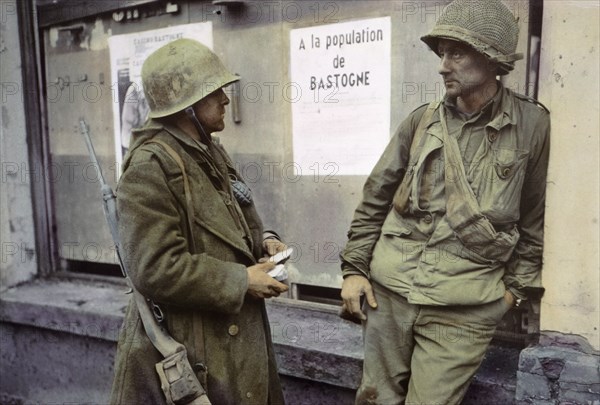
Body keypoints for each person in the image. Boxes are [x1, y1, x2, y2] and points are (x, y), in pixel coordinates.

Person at [340, 0, 550, 404]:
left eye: (456, 53)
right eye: (442, 54)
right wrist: (354, 270)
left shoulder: (532, 126)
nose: (442, 66)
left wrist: (512, 295)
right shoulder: (420, 121)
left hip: (463, 308)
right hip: (390, 295)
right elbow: (374, 200)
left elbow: (534, 218)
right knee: (373, 399)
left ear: (490, 59)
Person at [110, 38, 288, 405]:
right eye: (215, 91)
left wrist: (265, 240)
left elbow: (236, 213)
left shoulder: (208, 150)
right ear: (187, 105)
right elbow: (154, 267)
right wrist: (241, 280)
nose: (225, 98)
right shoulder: (150, 167)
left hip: (232, 346)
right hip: (197, 351)